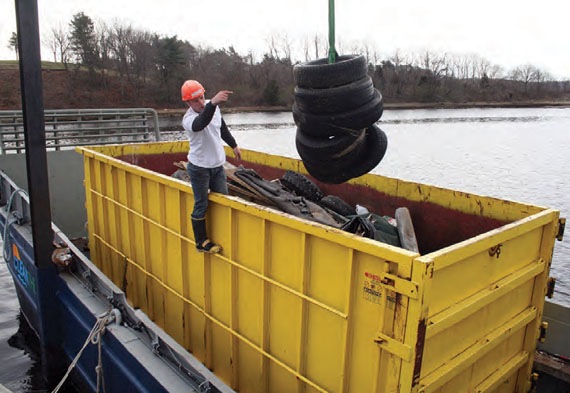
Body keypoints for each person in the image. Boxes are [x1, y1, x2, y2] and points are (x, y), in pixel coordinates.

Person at [181, 80, 241, 253]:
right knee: (201, 204)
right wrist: (212, 103)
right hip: (199, 167)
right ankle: (201, 242)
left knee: (224, 199)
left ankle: (223, 234)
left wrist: (233, 145)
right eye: (195, 101)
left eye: (202, 98)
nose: (200, 103)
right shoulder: (189, 119)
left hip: (217, 166)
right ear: (187, 103)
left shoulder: (211, 107)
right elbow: (202, 123)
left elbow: (221, 127)